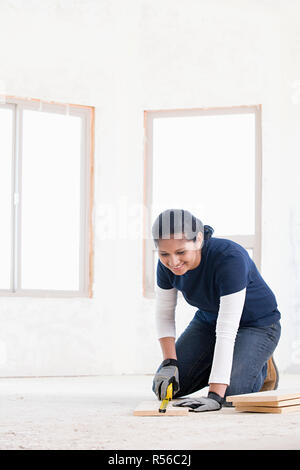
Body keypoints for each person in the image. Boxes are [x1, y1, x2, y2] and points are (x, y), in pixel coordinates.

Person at [151, 209, 281, 412]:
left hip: (256, 325)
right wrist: (169, 363)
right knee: (167, 387)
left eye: (181, 252)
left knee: (233, 395)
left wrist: (215, 395)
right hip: (209, 320)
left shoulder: (229, 258)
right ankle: (226, 362)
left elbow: (227, 329)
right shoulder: (165, 266)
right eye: (164, 254)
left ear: (199, 239)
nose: (173, 262)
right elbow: (164, 314)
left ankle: (263, 362)